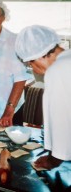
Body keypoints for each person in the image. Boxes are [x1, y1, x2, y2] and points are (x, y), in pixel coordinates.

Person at [15, 25, 71, 170]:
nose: (33, 69)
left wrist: (53, 160)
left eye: (30, 63)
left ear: (39, 55)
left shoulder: (57, 70)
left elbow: (61, 121)